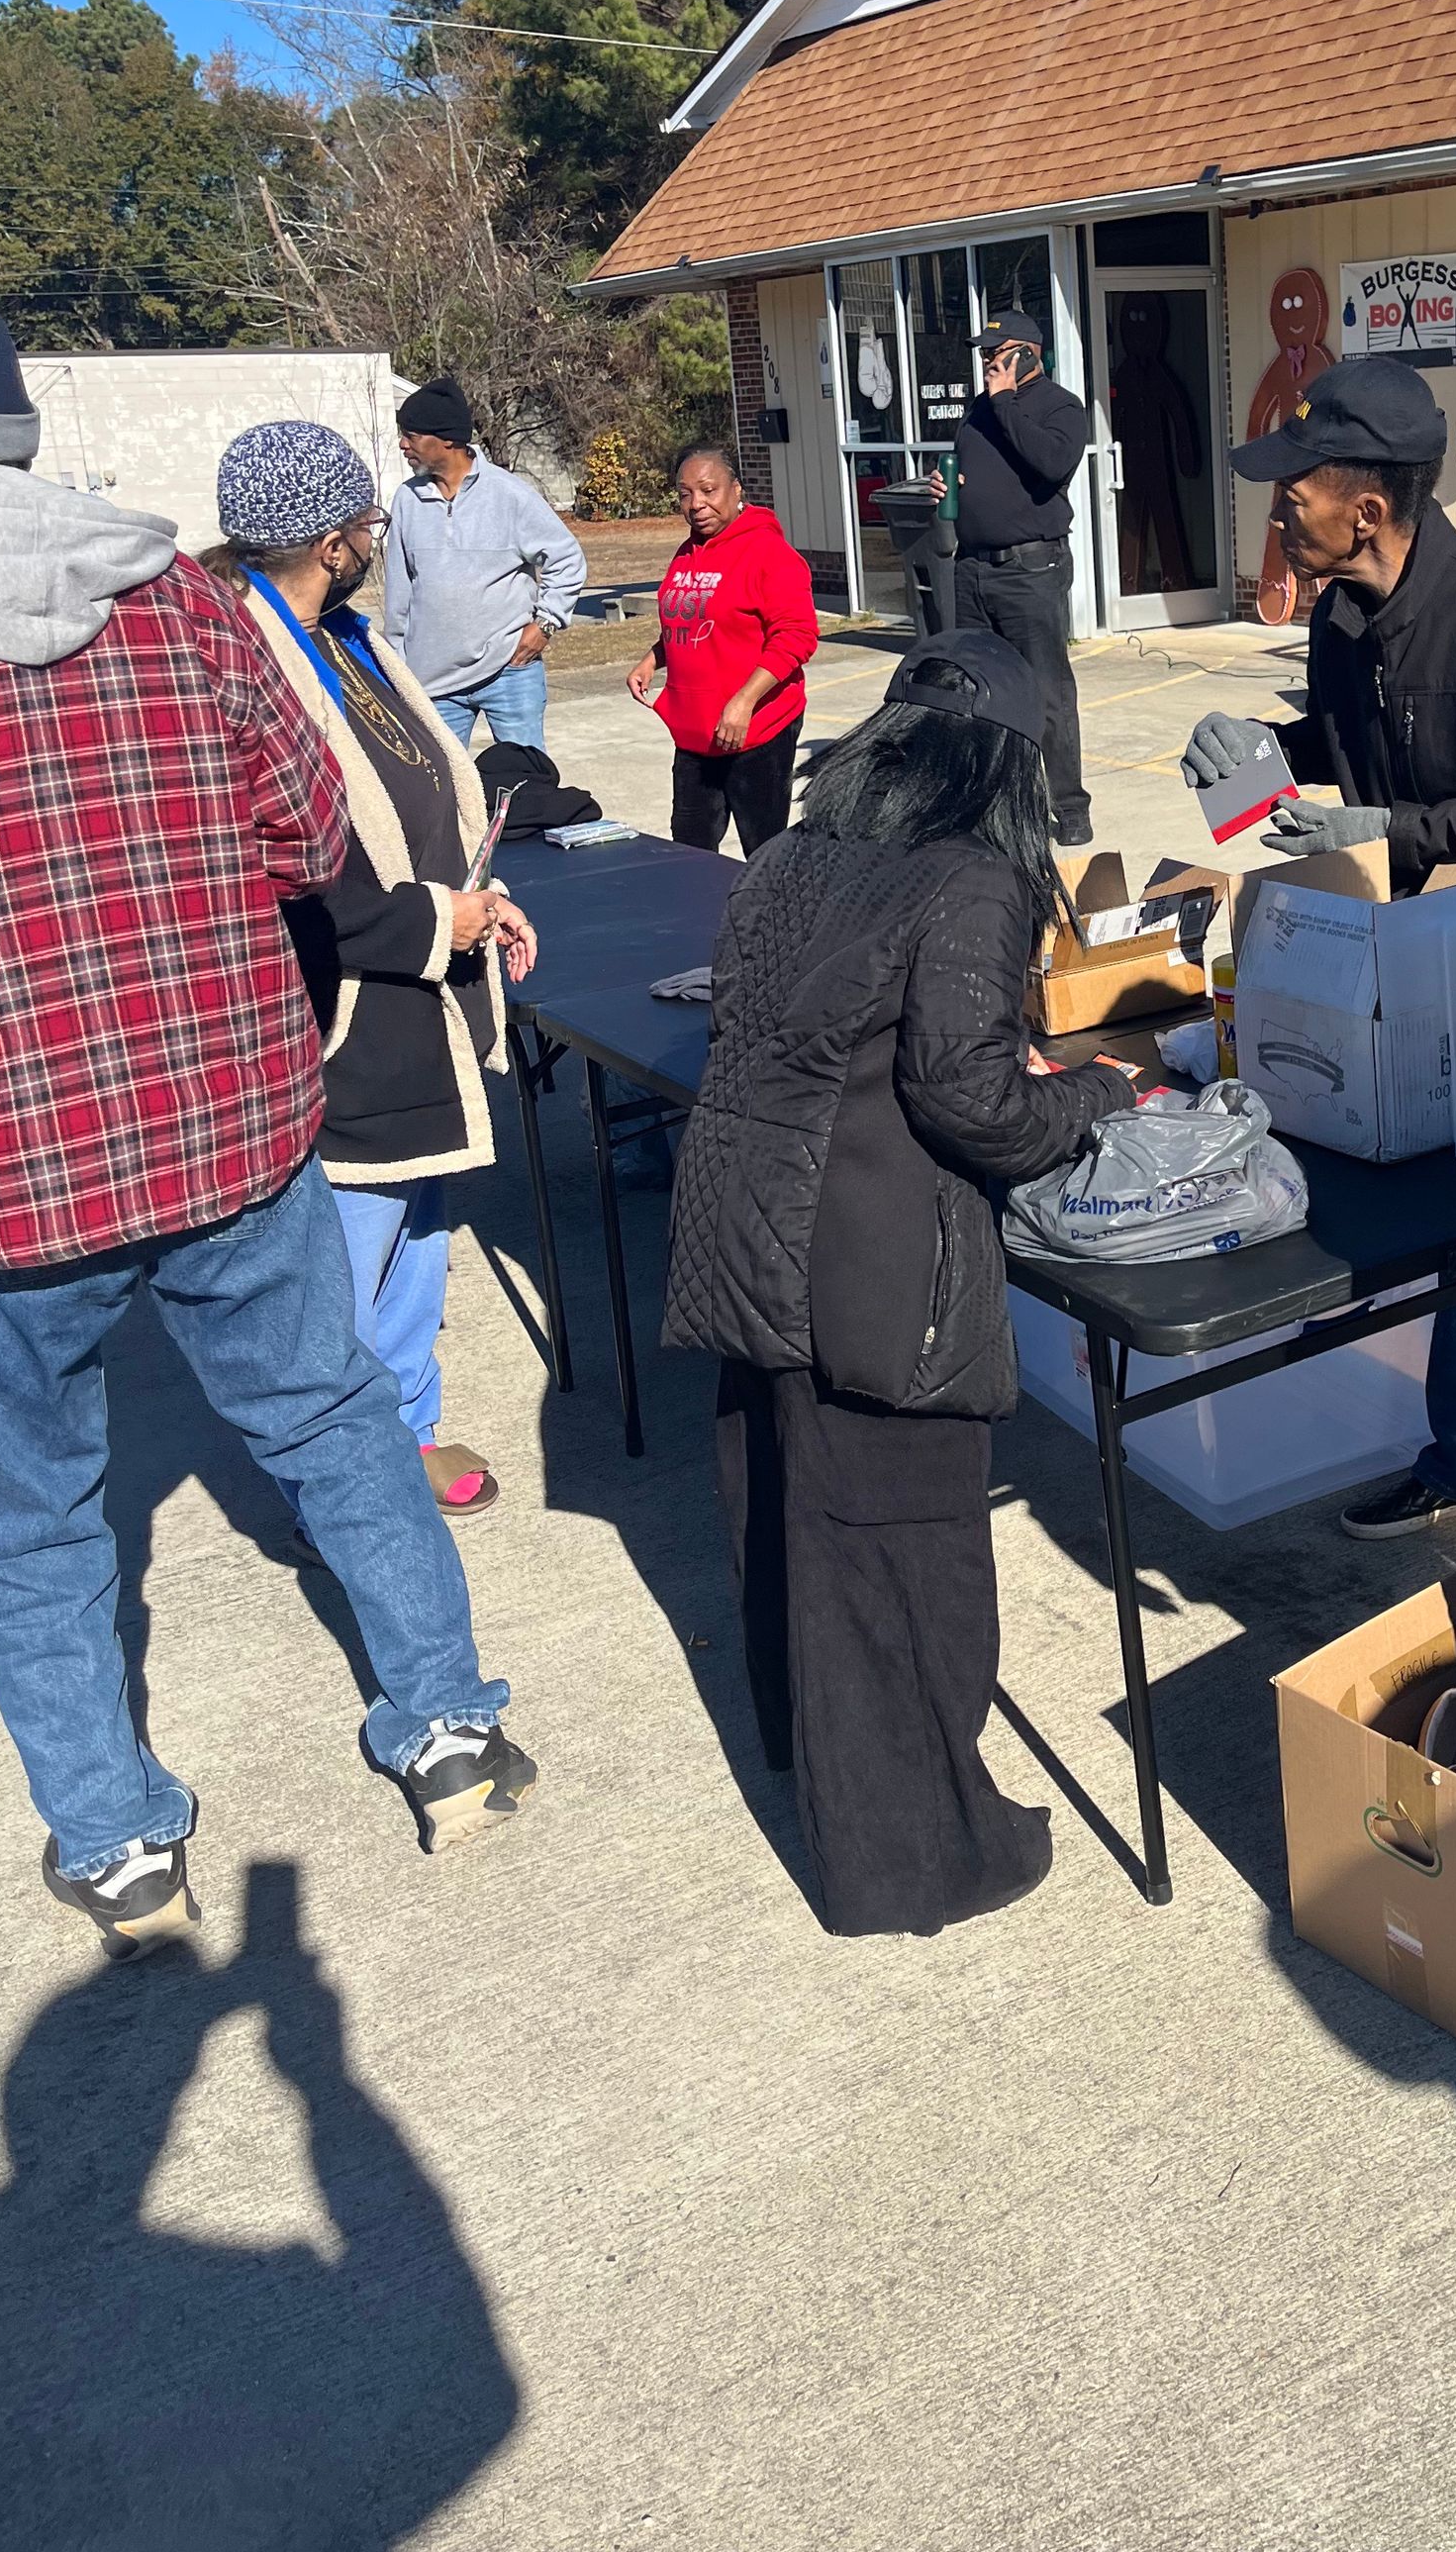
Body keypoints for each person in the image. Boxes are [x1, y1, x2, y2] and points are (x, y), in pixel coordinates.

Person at [0, 321, 535, 1957]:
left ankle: (117, 1846)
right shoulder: (170, 606)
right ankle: (445, 1733)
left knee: (34, 1521)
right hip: (228, 1115)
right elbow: (307, 830)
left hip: (13, 1171)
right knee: (337, 1426)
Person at [662, 631, 1134, 1937]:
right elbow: (970, 1102)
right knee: (900, 1567)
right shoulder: (971, 882)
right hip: (870, 1275)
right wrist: (1094, 1098)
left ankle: (811, 1768)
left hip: (747, 1231)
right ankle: (920, 1860)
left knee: (786, 1530)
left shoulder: (787, 855)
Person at [1181, 354, 1456, 1540]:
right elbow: (1347, 742)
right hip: (1397, 949)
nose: (1273, 512)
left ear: (1364, 507)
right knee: (1450, 1220)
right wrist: (1256, 746)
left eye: (1289, 492)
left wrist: (1396, 828)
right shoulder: (1340, 613)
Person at [205, 419, 540, 1522]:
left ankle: (406, 1424)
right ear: (332, 537)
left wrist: (483, 906)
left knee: (423, 1226)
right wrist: (439, 919)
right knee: (347, 1254)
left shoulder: (348, 635)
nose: (374, 536)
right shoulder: (242, 660)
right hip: (342, 1005)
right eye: (368, 521)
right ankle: (332, 1485)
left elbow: (428, 797)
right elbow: (286, 870)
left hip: (427, 983)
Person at [931, 314, 1093, 846]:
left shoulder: (1060, 407)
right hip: (973, 566)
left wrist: (1004, 401)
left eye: (997, 355)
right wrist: (948, 482)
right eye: (983, 356)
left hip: (1030, 570)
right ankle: (994, 804)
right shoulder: (979, 408)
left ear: (1028, 354)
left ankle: (1069, 807)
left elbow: (1050, 463)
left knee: (1047, 691)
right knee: (980, 690)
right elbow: (977, 469)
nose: (987, 364)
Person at [626, 441, 819, 855]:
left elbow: (797, 636)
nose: (696, 504)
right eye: (684, 493)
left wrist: (744, 701)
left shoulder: (770, 553)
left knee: (764, 853)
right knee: (690, 852)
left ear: (737, 489)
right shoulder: (688, 553)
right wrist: (653, 659)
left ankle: (771, 921)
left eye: (708, 490)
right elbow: (695, 618)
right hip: (695, 733)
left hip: (757, 730)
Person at [381, 374, 585, 747]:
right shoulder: (407, 501)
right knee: (441, 795)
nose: (402, 444)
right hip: (432, 683)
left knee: (527, 789)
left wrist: (545, 625)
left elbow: (567, 559)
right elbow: (399, 596)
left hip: (510, 672)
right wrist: (396, 668)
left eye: (411, 435)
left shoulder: (509, 495)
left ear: (446, 439)